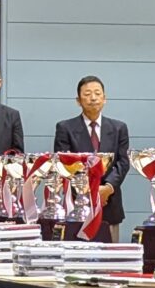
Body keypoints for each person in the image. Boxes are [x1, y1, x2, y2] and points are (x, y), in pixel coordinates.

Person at [53, 77, 131, 240]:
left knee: (109, 259)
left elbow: (122, 163)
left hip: (109, 202)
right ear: (78, 100)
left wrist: (107, 188)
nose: (93, 98)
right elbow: (63, 164)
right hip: (77, 203)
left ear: (104, 98)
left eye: (97, 93)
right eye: (87, 94)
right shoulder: (65, 128)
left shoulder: (119, 128)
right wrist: (88, 191)